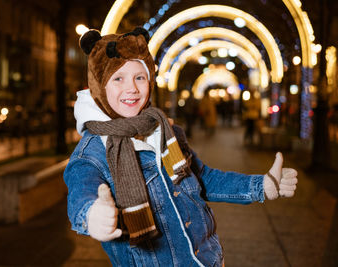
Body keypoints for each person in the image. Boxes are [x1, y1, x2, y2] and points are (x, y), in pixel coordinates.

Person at [63, 27, 298, 267]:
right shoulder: (93, 149)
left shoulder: (165, 130)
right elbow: (82, 189)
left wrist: (263, 185)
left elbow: (203, 179)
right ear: (99, 85)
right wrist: (92, 215)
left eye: (139, 77)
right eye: (118, 78)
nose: (132, 88)